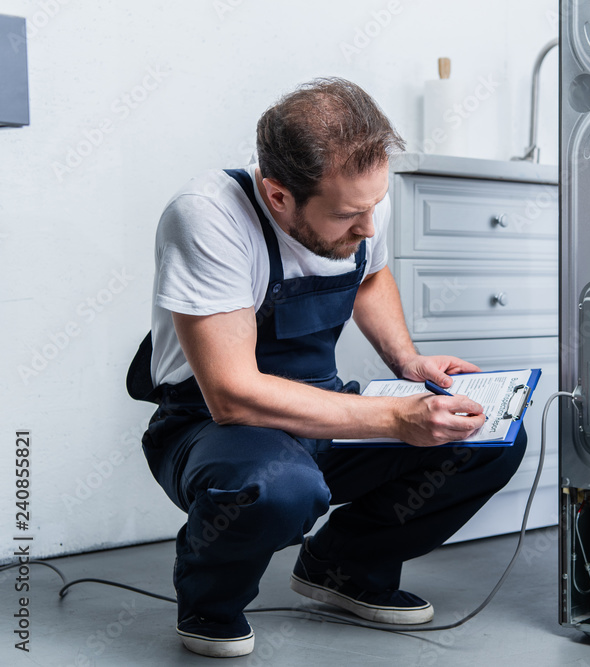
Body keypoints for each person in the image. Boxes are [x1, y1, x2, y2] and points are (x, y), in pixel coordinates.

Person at [128, 77, 527, 658]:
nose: (367, 226)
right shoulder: (208, 216)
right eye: (347, 215)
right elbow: (232, 395)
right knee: (275, 487)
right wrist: (395, 419)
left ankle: (342, 568)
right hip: (213, 426)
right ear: (280, 195)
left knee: (485, 436)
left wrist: (407, 361)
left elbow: (369, 272)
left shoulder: (360, 199)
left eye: (373, 207)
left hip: (322, 405)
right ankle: (209, 602)